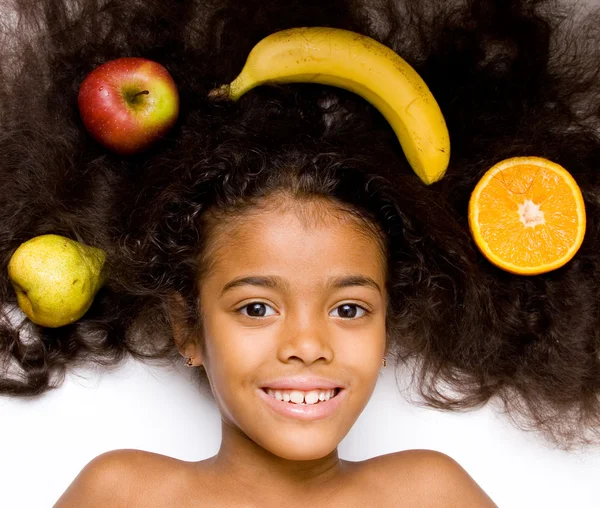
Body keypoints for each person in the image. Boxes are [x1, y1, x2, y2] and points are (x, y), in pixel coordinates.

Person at [1, 0, 599, 505]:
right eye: (256, 308)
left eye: (349, 309)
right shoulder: (123, 493)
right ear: (187, 327)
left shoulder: (429, 493)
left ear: (389, 323)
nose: (308, 346)